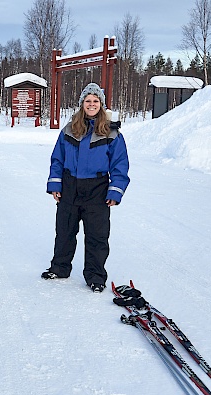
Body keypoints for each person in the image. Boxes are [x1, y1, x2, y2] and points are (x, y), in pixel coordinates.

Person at [42, 83, 130, 293]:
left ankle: (95, 276)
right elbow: (57, 159)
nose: (91, 104)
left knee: (97, 236)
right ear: (82, 104)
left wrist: (115, 191)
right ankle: (60, 268)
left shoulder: (111, 132)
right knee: (64, 231)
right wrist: (56, 184)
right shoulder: (69, 129)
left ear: (101, 104)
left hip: (97, 188)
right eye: (88, 101)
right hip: (70, 186)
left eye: (95, 101)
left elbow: (120, 164)